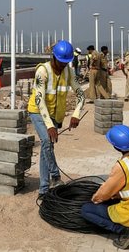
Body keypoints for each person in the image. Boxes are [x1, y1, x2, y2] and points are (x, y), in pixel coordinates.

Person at [26, 40, 85, 195]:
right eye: (61, 62)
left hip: (55, 115)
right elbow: (39, 100)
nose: (63, 65)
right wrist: (49, 125)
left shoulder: (69, 72)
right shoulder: (42, 71)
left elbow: (81, 94)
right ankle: (54, 177)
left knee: (48, 149)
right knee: (46, 141)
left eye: (66, 62)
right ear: (54, 57)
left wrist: (76, 114)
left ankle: (45, 187)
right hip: (38, 111)